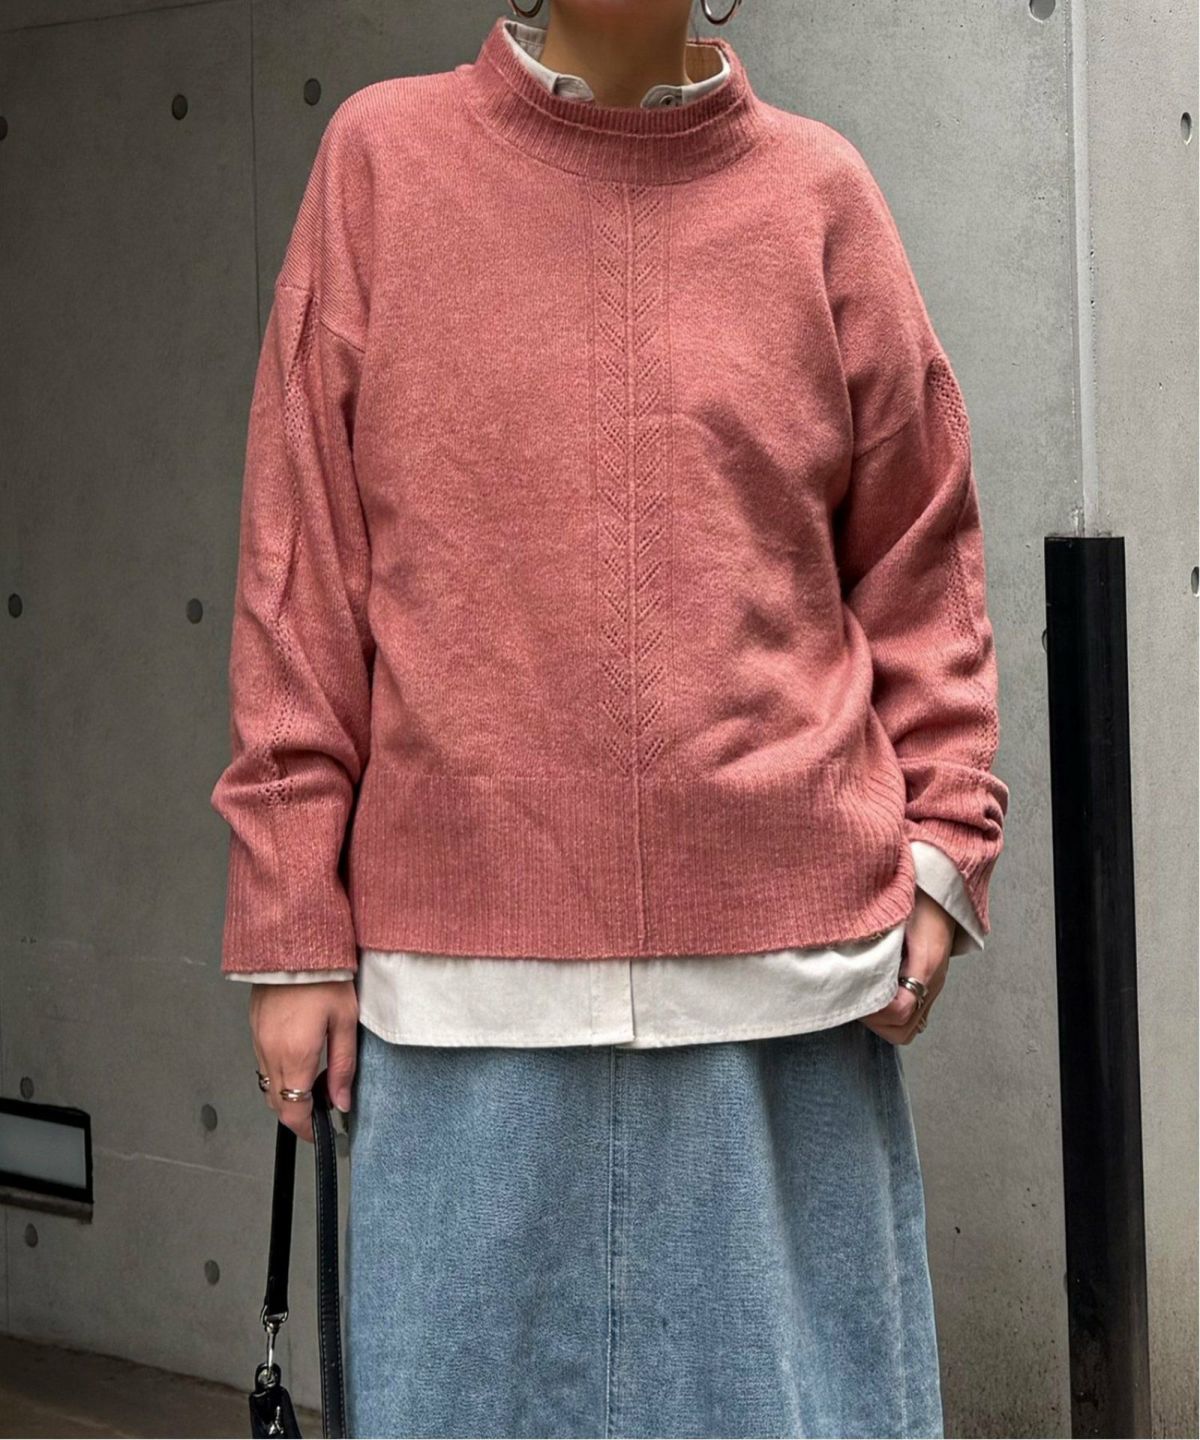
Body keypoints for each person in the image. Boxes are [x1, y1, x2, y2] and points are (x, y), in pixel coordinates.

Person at [209, 2, 1010, 1435]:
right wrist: (289, 922)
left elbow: (921, 548)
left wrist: (946, 846)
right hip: (463, 1004)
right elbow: (301, 570)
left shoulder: (819, 194)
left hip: (787, 997)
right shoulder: (382, 165)